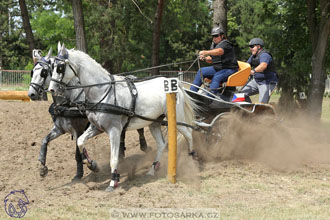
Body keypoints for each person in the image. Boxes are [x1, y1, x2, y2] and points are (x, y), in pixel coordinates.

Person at [190, 27, 238, 95]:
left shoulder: (226, 43)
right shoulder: (214, 45)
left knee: (217, 77)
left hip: (229, 69)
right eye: (213, 36)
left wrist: (205, 52)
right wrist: (205, 58)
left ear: (222, 36)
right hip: (218, 68)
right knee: (201, 71)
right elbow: (211, 59)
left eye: (216, 36)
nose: (214, 38)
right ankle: (192, 92)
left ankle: (210, 97)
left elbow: (220, 51)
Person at [240, 38, 278, 103]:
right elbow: (246, 66)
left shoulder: (265, 55)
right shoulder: (253, 56)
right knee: (238, 96)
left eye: (252, 46)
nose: (250, 49)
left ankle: (264, 113)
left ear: (258, 47)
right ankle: (248, 110)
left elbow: (263, 65)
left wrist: (253, 71)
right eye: (250, 47)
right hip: (257, 81)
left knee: (262, 104)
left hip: (267, 83)